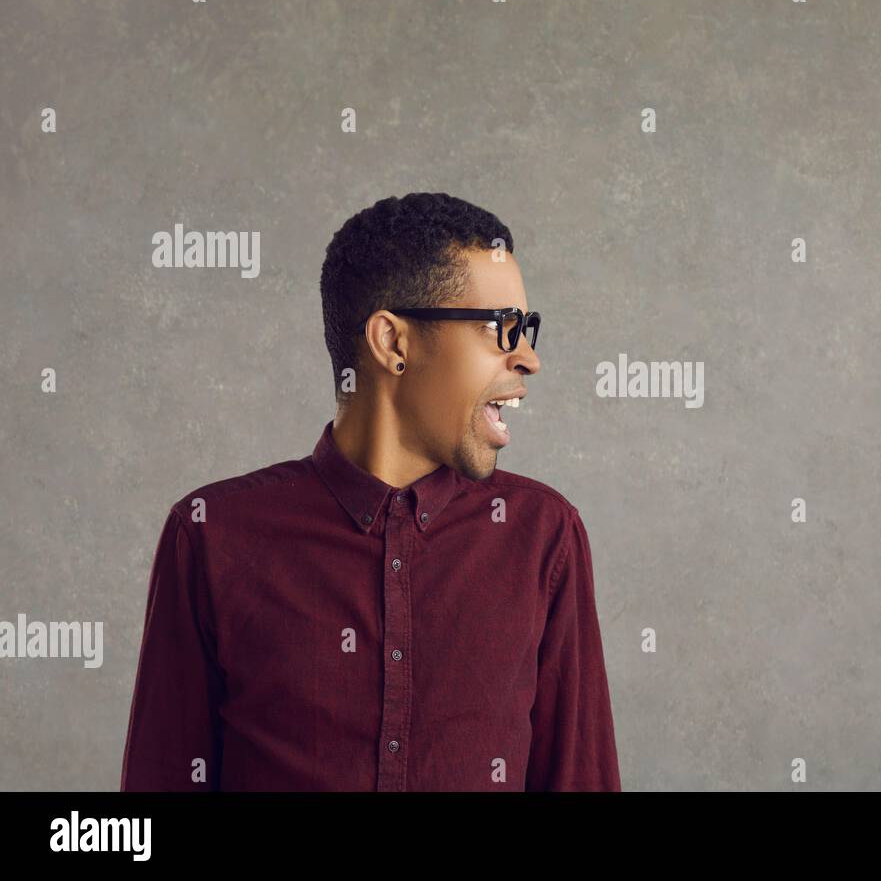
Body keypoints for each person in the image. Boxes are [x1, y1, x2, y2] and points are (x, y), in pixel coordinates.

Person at [120, 192, 620, 791]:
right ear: (393, 343)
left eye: (527, 328)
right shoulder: (210, 535)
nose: (530, 358)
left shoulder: (544, 536)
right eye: (500, 328)